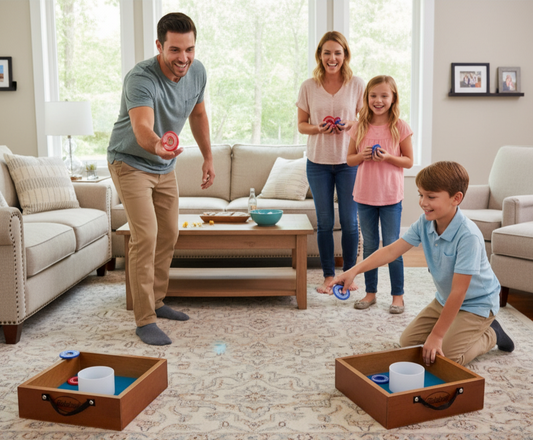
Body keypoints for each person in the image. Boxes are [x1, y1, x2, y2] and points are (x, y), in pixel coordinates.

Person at [329, 161, 514, 366]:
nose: (423, 202)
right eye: (421, 195)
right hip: (444, 300)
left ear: (456, 198)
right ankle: (453, 328)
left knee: (448, 358)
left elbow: (459, 292)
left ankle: (492, 334)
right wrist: (353, 271)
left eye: (431, 197)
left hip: (476, 304)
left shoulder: (468, 236)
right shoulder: (425, 222)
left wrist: (437, 335)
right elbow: (391, 251)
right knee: (407, 343)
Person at [107, 12, 215, 346]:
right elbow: (141, 127)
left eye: (189, 49)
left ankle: (156, 300)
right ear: (159, 46)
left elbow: (197, 114)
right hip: (131, 162)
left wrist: (208, 157)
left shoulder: (197, 72)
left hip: (163, 167)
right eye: (175, 50)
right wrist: (157, 145)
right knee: (146, 236)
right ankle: (145, 320)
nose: (183, 58)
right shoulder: (141, 78)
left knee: (168, 233)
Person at [296, 31, 365, 294]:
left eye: (337, 52)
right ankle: (327, 276)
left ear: (345, 55)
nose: (332, 58)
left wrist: (351, 124)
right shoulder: (308, 86)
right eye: (327, 53)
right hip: (318, 162)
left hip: (349, 162)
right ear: (320, 55)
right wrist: (318, 129)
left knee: (350, 221)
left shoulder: (357, 84)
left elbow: (366, 120)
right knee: (324, 222)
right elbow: (302, 126)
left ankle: (348, 275)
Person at [346, 75, 413, 314]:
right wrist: (362, 156)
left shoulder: (400, 127)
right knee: (371, 247)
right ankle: (370, 293)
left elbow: (408, 161)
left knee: (393, 246)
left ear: (393, 98)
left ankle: (398, 296)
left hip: (391, 197)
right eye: (373, 95)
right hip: (364, 196)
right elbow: (349, 159)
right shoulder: (359, 126)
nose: (378, 100)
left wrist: (387, 157)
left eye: (384, 95)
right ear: (367, 98)